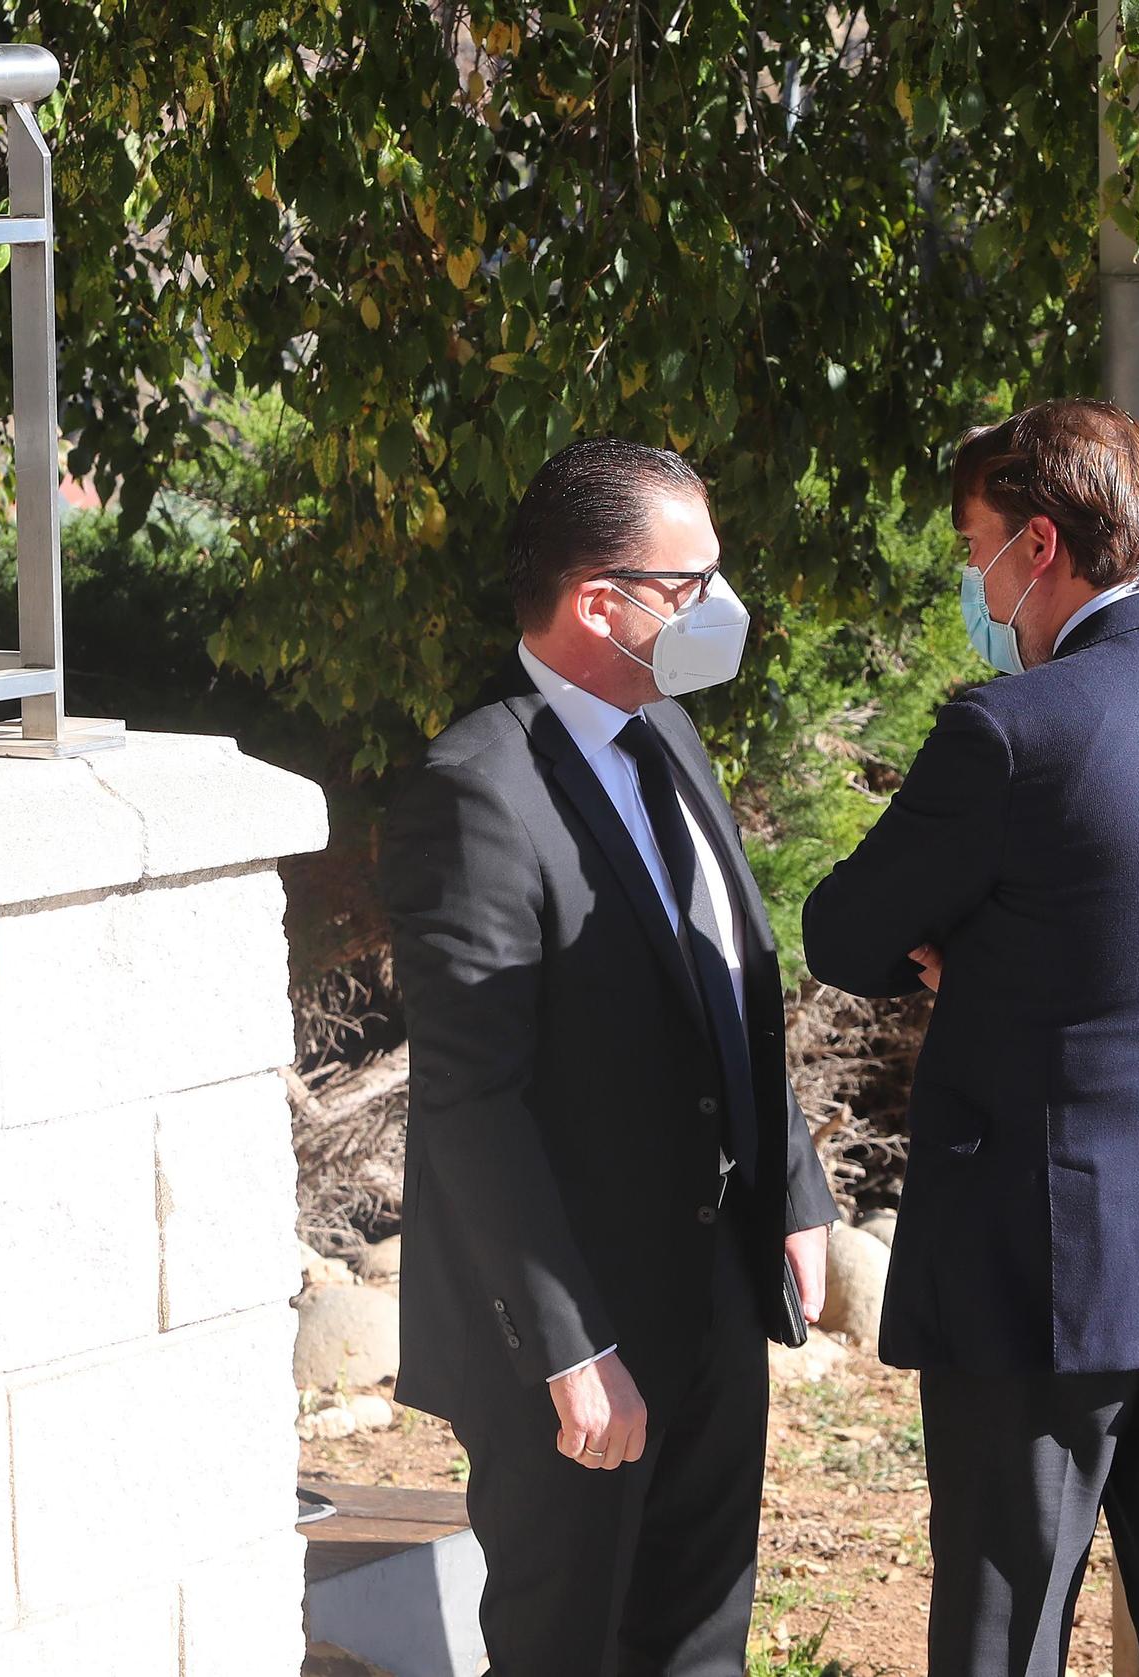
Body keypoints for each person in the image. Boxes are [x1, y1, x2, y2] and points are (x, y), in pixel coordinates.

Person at [801, 398, 1139, 1677]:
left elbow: (843, 933)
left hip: (1051, 1272)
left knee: (1009, 1628)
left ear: (1038, 544)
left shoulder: (1013, 726)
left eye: (973, 542)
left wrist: (963, 942)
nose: (970, 578)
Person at [379, 438, 840, 1676]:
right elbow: (475, 1101)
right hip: (573, 1336)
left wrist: (791, 1185)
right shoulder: (475, 790)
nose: (720, 609)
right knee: (569, 1646)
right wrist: (571, 1350)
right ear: (599, 602)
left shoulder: (665, 735)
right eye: (692, 586)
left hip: (712, 1295)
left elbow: (727, 976)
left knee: (699, 1642)